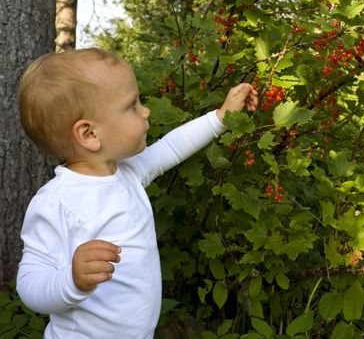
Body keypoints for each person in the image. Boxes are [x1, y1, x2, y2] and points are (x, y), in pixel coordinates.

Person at [16, 48, 258, 339]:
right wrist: (71, 281)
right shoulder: (57, 202)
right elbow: (29, 284)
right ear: (89, 134)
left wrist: (220, 117)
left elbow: (171, 147)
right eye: (132, 105)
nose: (146, 111)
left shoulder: (125, 172)